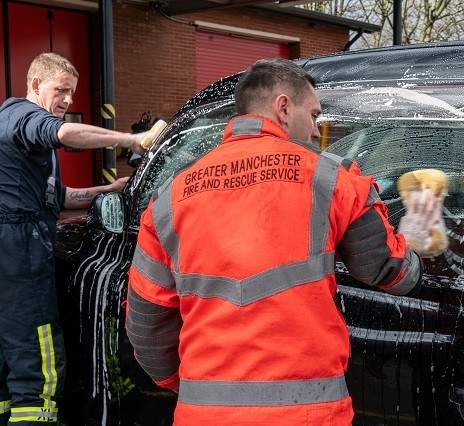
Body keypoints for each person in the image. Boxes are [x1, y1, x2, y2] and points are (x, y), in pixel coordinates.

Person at [126, 57, 440, 425]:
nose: (315, 132)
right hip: (308, 415)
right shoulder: (332, 177)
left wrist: (196, 385)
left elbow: (145, 324)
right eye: (314, 115)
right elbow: (389, 270)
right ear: (284, 108)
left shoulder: (168, 197)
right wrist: (416, 240)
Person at [0, 52, 148, 426]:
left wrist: (108, 189)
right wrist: (133, 139)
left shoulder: (19, 129)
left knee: (9, 349)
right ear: (35, 85)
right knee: (38, 348)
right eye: (61, 90)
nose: (68, 100)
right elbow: (65, 133)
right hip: (20, 245)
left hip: (18, 238)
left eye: (72, 93)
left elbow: (59, 197)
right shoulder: (24, 116)